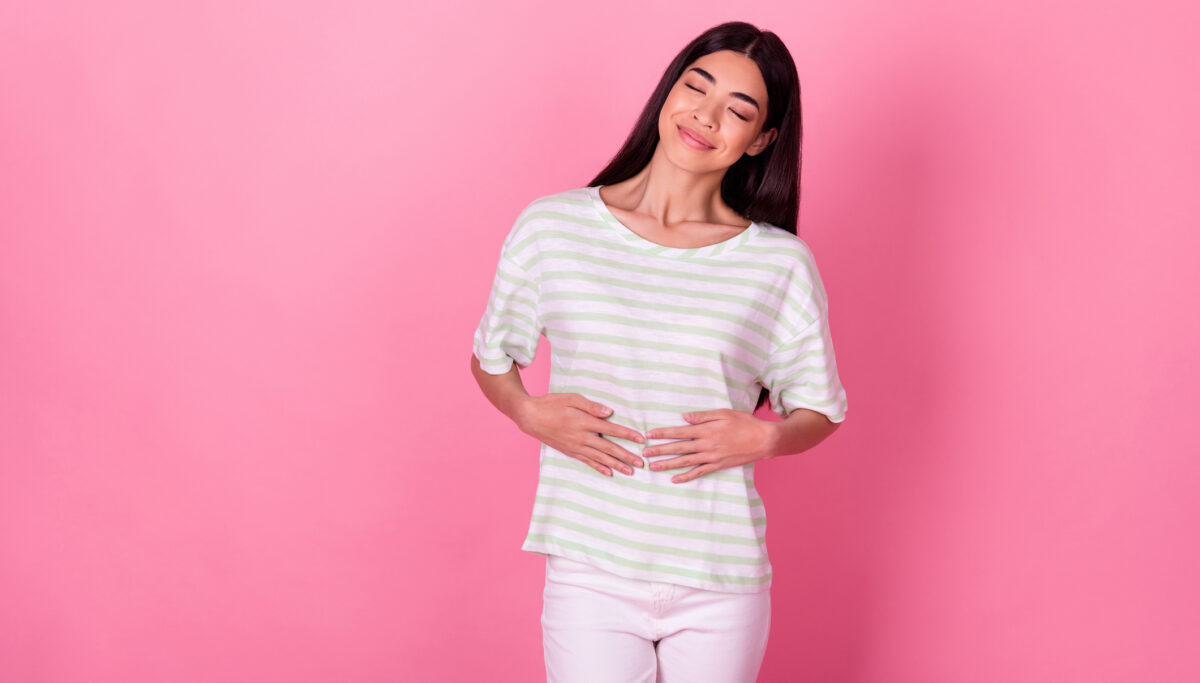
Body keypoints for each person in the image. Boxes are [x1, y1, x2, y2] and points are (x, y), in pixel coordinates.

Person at [469, 20, 848, 683]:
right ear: (668, 92)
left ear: (760, 140)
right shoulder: (554, 228)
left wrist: (764, 438)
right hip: (591, 567)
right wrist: (529, 413)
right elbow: (491, 354)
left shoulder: (776, 265)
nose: (705, 115)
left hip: (719, 578)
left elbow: (821, 408)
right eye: (696, 87)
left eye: (738, 110)